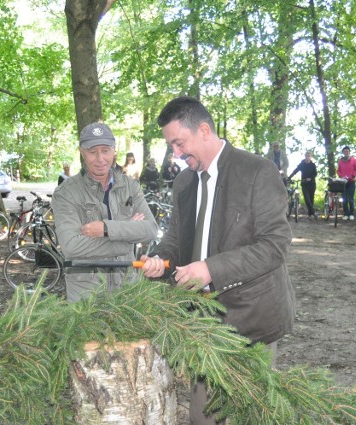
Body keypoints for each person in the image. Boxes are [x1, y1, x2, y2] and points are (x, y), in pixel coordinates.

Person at [140, 97, 295, 425]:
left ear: (205, 130)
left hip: (253, 322)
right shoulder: (183, 182)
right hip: (203, 325)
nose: (176, 155)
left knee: (250, 414)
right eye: (171, 147)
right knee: (205, 418)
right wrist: (158, 260)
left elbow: (275, 246)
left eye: (179, 144)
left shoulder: (257, 172)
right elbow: (174, 241)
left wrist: (211, 269)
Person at [52, 123, 158, 302]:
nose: (100, 158)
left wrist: (106, 228)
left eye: (105, 150)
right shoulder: (66, 193)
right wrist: (127, 239)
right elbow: (71, 246)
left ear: (114, 151)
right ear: (82, 152)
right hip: (86, 295)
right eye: (93, 152)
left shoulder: (130, 186)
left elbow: (150, 230)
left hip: (127, 291)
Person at [287, 151, 318, 217]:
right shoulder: (302, 164)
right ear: (305, 157)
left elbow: (315, 174)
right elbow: (295, 170)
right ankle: (313, 212)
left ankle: (310, 213)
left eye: (309, 156)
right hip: (304, 184)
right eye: (307, 156)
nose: (308, 157)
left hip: (312, 184)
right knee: (307, 199)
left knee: (311, 198)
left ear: (311, 157)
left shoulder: (313, 165)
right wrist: (289, 177)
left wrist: (310, 178)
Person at [337, 146, 356, 220]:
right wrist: (341, 176)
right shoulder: (341, 161)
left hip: (351, 181)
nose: (346, 152)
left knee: (351, 198)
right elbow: (338, 170)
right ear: (343, 152)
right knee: (344, 199)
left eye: (347, 151)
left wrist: (353, 175)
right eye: (344, 151)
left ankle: (351, 213)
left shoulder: (353, 160)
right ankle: (346, 213)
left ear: (349, 152)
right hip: (343, 182)